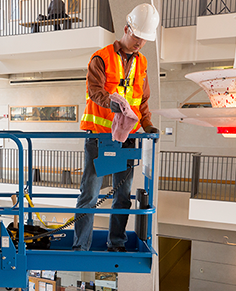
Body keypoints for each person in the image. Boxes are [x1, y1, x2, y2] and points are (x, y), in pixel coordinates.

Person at [72, 4, 160, 252]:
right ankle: (81, 245)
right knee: (89, 194)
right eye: (137, 38)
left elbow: (142, 99)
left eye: (144, 40)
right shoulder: (101, 57)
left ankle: (117, 242)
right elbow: (95, 90)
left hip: (128, 138)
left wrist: (147, 123)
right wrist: (111, 103)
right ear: (126, 29)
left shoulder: (142, 63)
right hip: (100, 138)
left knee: (123, 195)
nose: (139, 44)